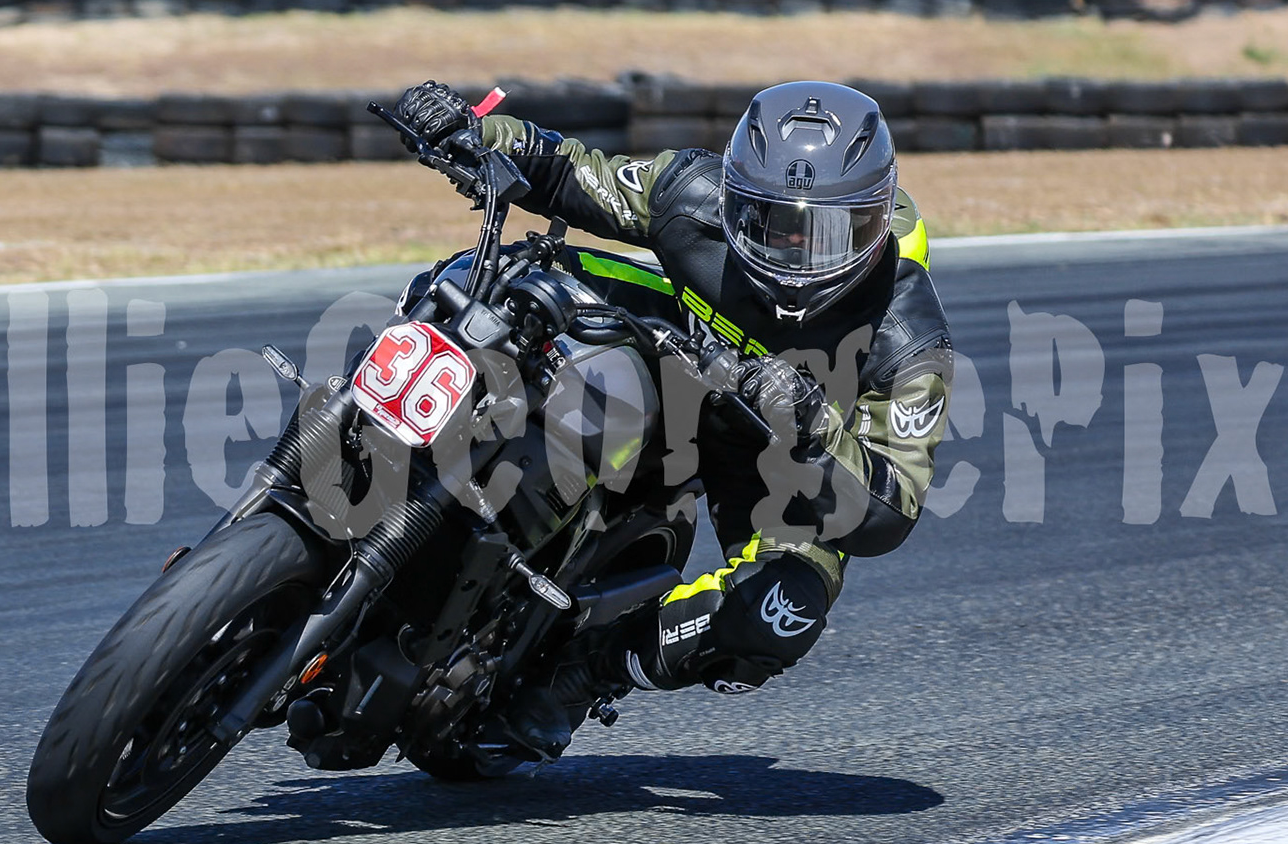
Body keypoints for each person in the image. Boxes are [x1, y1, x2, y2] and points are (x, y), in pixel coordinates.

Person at [391, 79, 953, 757]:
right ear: (733, 198)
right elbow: (571, 171)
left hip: (784, 456)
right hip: (675, 346)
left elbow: (891, 509)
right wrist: (476, 134)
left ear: (876, 220)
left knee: (783, 613)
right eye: (770, 223)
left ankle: (588, 669)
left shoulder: (910, 342)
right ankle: (376, 456)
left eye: (829, 234)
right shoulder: (690, 190)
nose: (795, 254)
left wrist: (812, 427)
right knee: (488, 282)